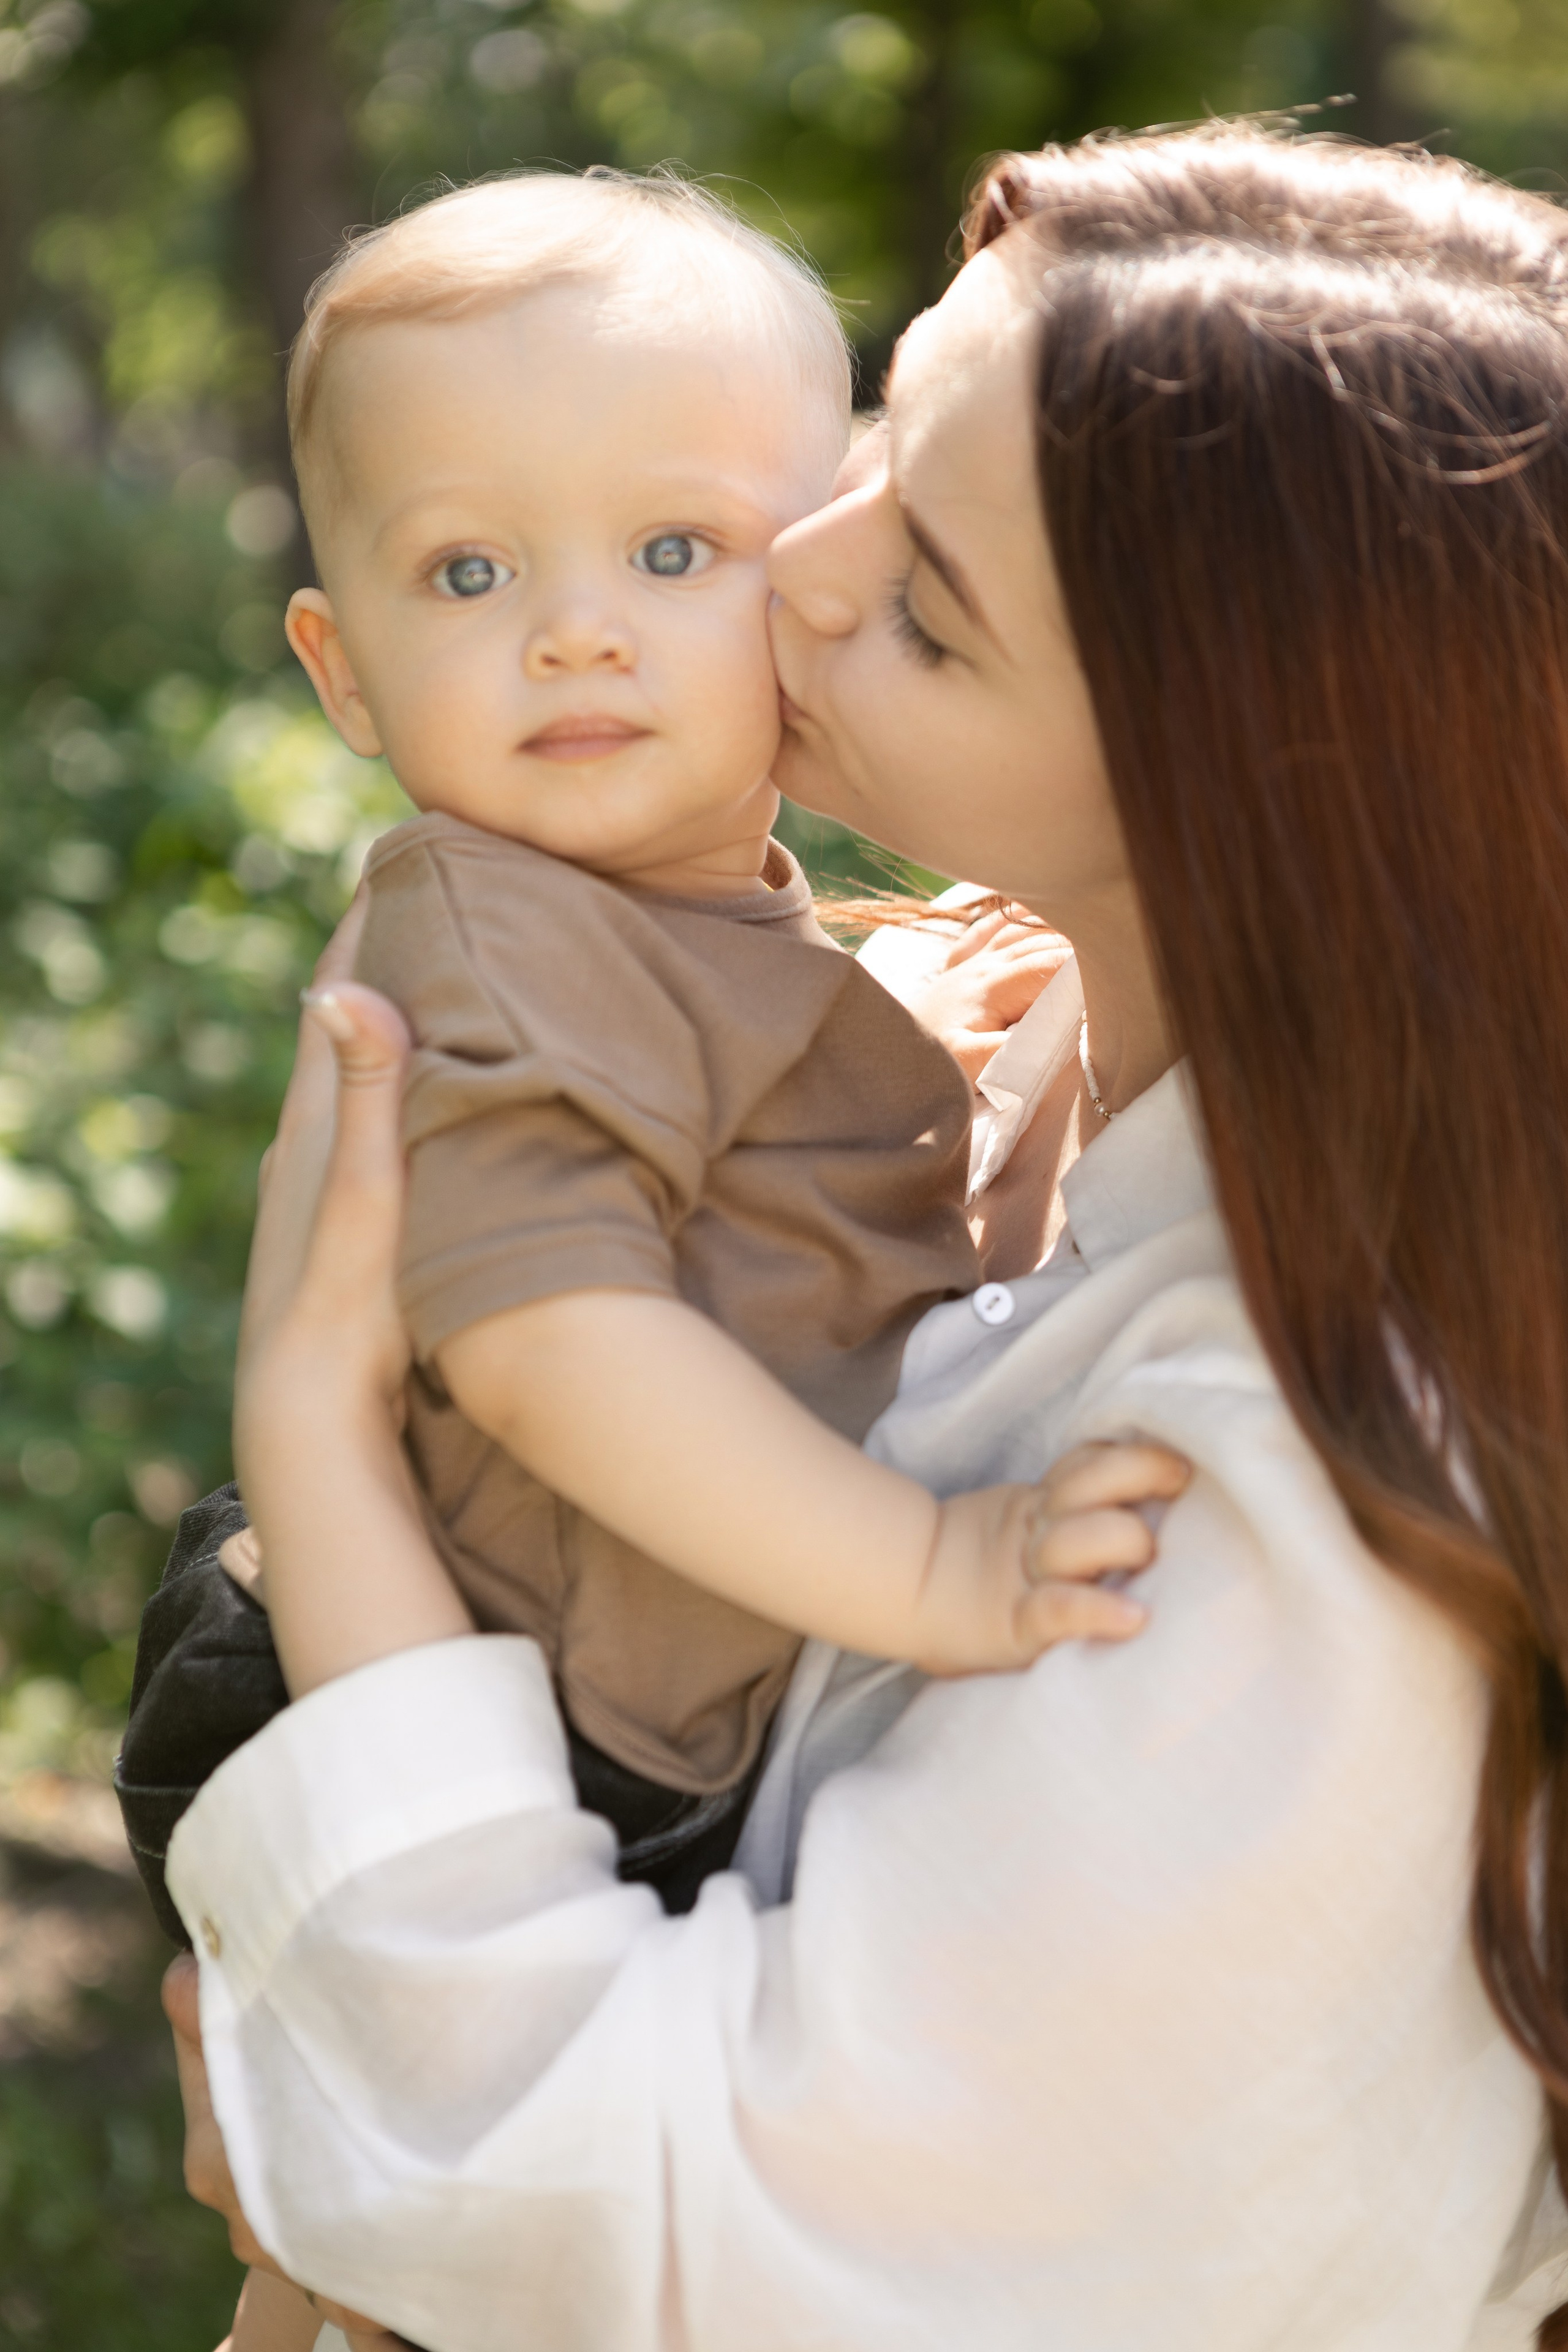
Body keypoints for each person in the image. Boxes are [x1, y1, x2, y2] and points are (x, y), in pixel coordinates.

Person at [161, 126, 1568, 2348]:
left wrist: (310, 1424)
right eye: (880, 440)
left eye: (925, 595)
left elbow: (667, 2235)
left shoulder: (1313, 1502)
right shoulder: (1005, 1051)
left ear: (1242, 794)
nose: (791, 568)